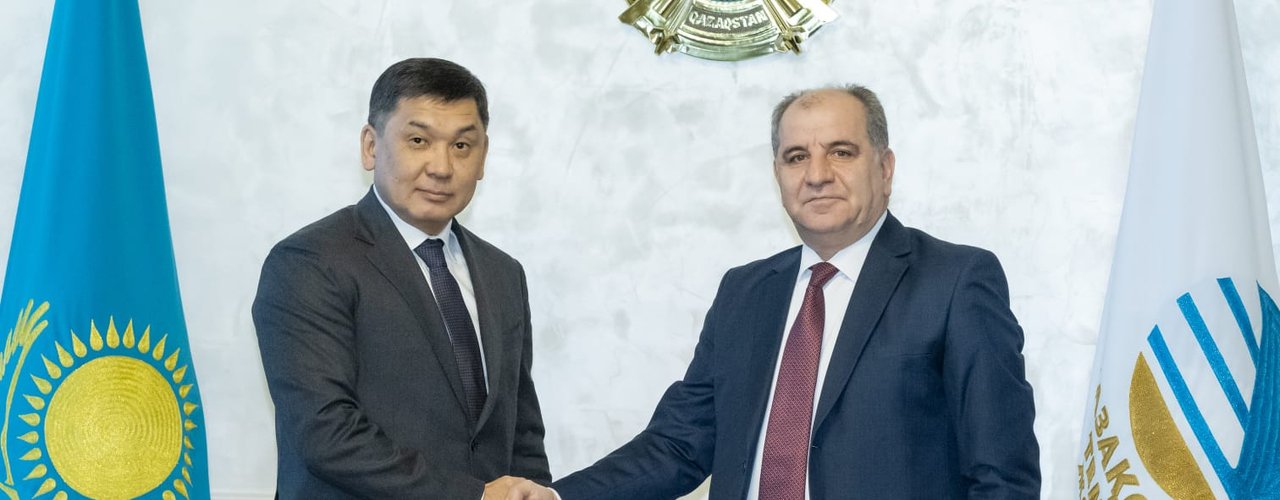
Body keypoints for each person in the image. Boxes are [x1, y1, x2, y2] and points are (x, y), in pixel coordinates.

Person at [512, 85, 1040, 499]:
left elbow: (1002, 475)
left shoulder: (956, 281)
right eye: (796, 157)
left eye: (841, 152)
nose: (817, 175)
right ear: (777, 176)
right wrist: (557, 497)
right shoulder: (744, 292)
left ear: (885, 168)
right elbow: (680, 445)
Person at [253, 58, 551, 499]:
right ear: (371, 146)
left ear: (483, 155)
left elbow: (521, 432)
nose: (441, 167)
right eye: (418, 140)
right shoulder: (308, 262)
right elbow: (326, 432)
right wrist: (473, 496)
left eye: (462, 145)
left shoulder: (503, 274)